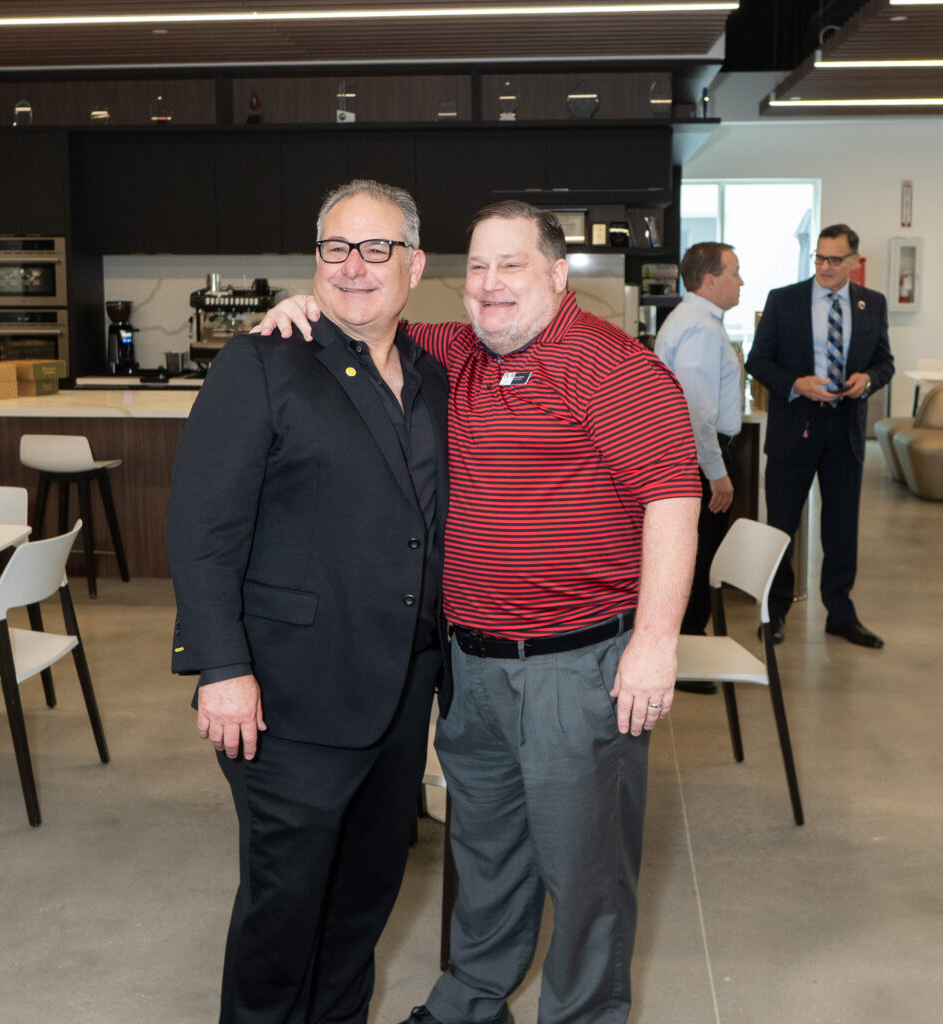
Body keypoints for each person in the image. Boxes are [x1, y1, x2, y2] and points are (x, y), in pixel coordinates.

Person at [259, 200, 701, 1024]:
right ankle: (470, 1001)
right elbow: (363, 319)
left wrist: (654, 643)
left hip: (577, 671)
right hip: (472, 668)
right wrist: (300, 308)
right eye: (479, 268)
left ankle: (582, 1014)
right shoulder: (452, 351)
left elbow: (672, 499)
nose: (491, 286)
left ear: (559, 276)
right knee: (487, 853)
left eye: (513, 266)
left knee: (585, 870)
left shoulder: (617, 369)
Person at [165, 179, 450, 1024]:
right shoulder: (262, 361)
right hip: (286, 697)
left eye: (375, 249)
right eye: (335, 249)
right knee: (282, 917)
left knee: (362, 908)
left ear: (415, 264)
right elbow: (201, 528)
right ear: (313, 260)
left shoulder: (435, 370)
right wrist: (221, 666)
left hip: (400, 694)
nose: (353, 267)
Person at [746, 223, 893, 647]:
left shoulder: (872, 304)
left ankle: (841, 614)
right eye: (820, 258)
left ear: (853, 262)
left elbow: (885, 361)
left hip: (845, 430)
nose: (825, 267)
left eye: (835, 260)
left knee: (841, 527)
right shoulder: (784, 300)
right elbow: (759, 360)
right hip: (796, 426)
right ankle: (773, 612)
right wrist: (796, 384)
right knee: (781, 525)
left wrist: (868, 379)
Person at [655, 243, 744, 688]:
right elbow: (696, 411)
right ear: (710, 280)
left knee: (697, 552)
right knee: (698, 556)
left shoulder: (696, 321)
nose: (741, 281)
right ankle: (687, 653)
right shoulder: (701, 329)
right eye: (735, 272)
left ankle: (688, 643)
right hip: (698, 458)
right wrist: (717, 473)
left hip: (694, 456)